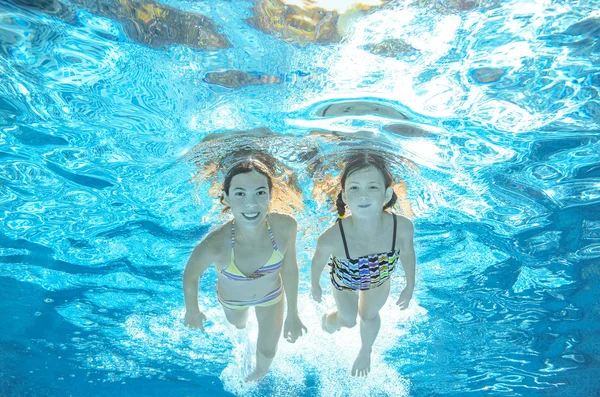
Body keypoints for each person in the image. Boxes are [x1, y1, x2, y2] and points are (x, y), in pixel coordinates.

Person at [183, 156, 307, 382]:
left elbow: (290, 269)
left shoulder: (286, 226)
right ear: (227, 197)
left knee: (269, 352)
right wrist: (192, 310)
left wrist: (293, 314)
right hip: (233, 301)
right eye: (240, 194)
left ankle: (256, 376)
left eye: (260, 193)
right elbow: (191, 274)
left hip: (271, 296)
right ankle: (245, 336)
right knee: (238, 324)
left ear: (271, 196)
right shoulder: (216, 243)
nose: (251, 203)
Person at [310, 151, 416, 377]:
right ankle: (327, 321)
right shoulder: (332, 237)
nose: (363, 195)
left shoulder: (402, 227)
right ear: (345, 196)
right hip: (345, 282)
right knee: (347, 321)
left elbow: (407, 253)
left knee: (368, 316)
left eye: (372, 187)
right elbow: (317, 260)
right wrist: (314, 285)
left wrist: (410, 285)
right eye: (355, 188)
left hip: (379, 279)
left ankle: (365, 351)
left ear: (387, 193)